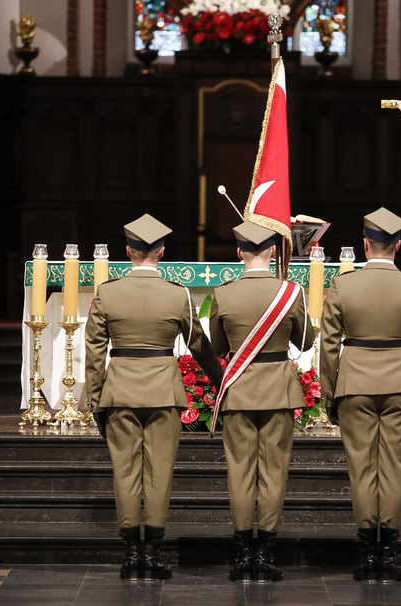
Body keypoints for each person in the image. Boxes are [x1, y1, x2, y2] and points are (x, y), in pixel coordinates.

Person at [84, 214, 221, 580]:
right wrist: (221, 379)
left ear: (127, 250)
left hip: (120, 391)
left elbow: (95, 353)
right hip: (163, 392)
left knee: (125, 473)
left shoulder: (108, 293)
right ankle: (154, 553)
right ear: (162, 251)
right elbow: (199, 346)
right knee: (159, 474)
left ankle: (132, 554)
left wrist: (96, 399)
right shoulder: (177, 294)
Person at [320, 208, 401, 582]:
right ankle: (387, 552)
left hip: (354, 383)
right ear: (399, 246)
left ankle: (367, 550)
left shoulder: (342, 285)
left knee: (361, 468)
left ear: (365, 244)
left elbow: (328, 346)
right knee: (394, 468)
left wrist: (329, 396)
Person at [209, 221, 314, 582]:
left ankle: (242, 555)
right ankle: (266, 552)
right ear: (272, 252)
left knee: (240, 472)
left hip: (239, 390)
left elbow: (219, 348)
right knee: (273, 472)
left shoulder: (224, 294)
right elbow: (305, 341)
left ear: (239, 252)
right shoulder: (291, 292)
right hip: (279, 390)